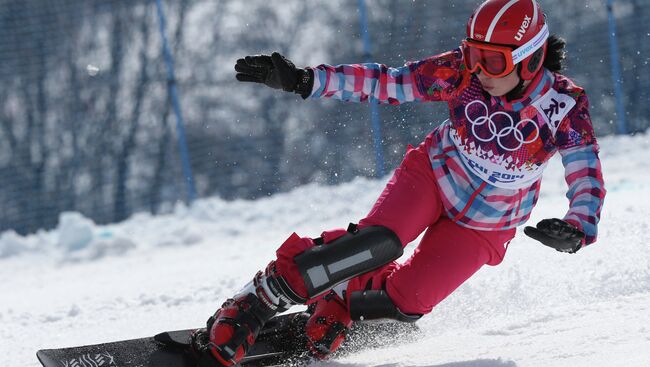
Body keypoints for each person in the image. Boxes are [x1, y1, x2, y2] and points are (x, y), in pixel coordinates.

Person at [191, 0, 605, 365]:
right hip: (435, 175)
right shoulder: (461, 74)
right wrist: (305, 80)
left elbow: (584, 168)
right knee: (376, 245)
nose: (478, 70)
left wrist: (578, 226)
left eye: (492, 61)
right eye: (472, 54)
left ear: (531, 59)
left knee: (406, 303)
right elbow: (388, 83)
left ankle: (342, 299)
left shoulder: (563, 106)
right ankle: (258, 300)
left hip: (487, 223)